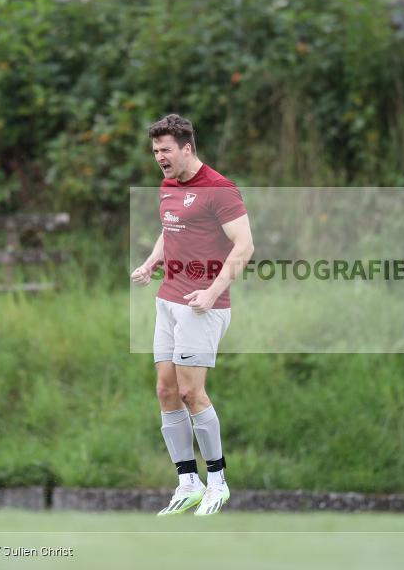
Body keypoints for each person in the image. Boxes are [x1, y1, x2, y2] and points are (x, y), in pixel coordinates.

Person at [131, 114, 254, 516]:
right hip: (168, 300)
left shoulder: (220, 190)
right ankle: (188, 482)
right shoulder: (168, 187)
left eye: (165, 150)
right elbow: (171, 229)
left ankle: (217, 482)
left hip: (203, 305)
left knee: (190, 393)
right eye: (155, 152)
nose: (160, 158)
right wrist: (151, 263)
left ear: (188, 148)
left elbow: (245, 247)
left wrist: (213, 290)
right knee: (165, 391)